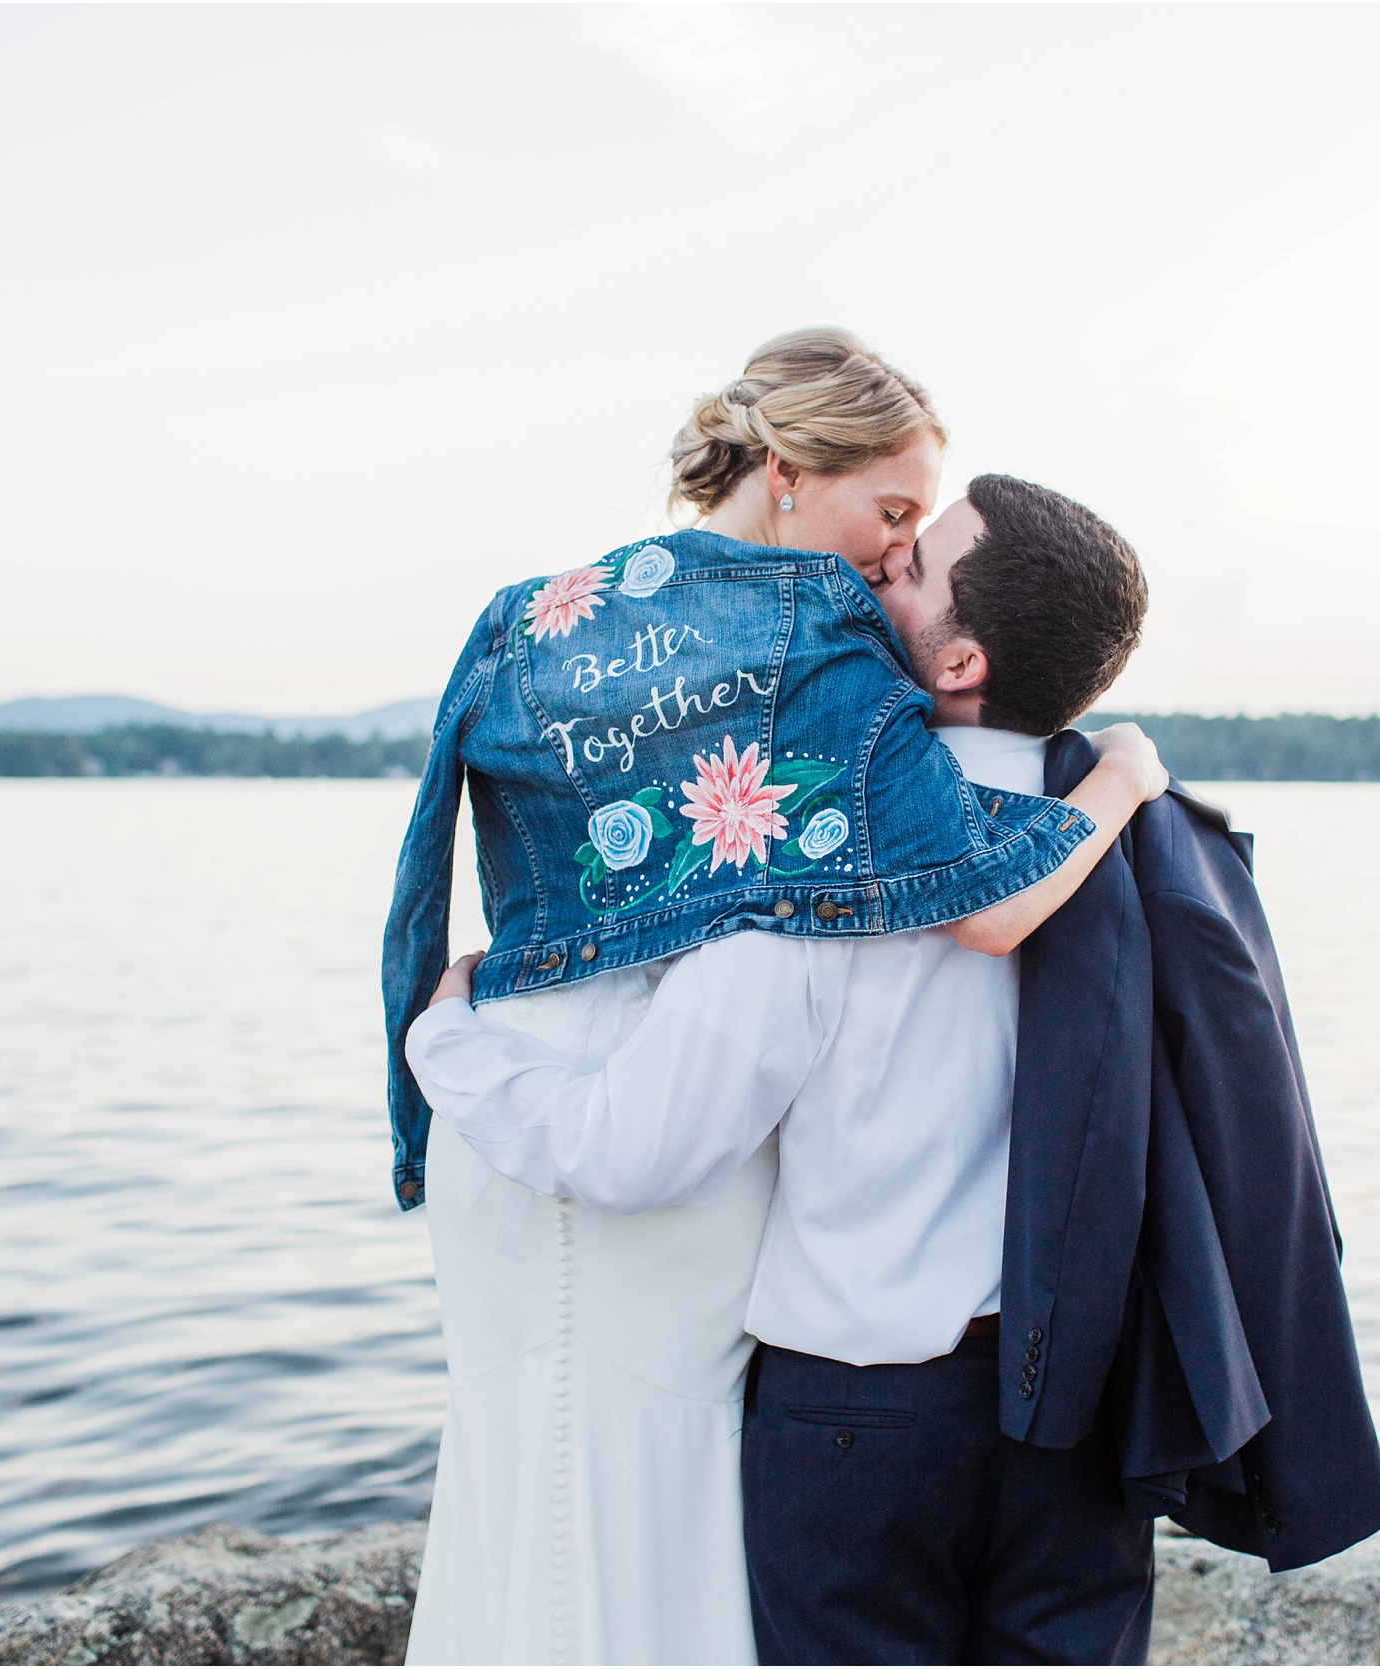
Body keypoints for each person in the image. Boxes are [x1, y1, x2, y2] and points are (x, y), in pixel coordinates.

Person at [412, 471, 1380, 1663]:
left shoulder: (811, 874)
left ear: (957, 661)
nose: (881, 569)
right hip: (1076, 1421)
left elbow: (626, 1153)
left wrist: (445, 1039)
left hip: (854, 1426)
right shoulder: (1144, 844)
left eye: (915, 563)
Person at [381, 332, 1168, 1665]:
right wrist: (1117, 782)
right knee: (633, 1501)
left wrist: (425, 1055)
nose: (892, 557)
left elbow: (428, 864)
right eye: (895, 516)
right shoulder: (830, 645)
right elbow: (979, 898)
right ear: (793, 471)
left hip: (526, 1084)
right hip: (630, 1115)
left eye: (920, 532)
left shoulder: (525, 617)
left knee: (527, 1484)